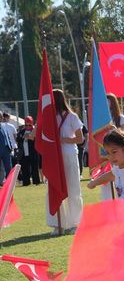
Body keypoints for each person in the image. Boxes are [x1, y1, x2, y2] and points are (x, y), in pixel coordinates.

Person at [39, 91, 84, 235]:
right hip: (54, 157)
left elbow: (80, 138)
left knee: (73, 188)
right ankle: (58, 223)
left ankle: (75, 222)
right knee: (54, 188)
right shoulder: (49, 118)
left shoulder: (72, 116)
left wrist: (62, 140)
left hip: (69, 154)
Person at [15, 116, 39, 186]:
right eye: (26, 125)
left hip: (33, 152)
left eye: (29, 125)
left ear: (32, 124)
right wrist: (21, 137)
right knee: (25, 168)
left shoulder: (35, 130)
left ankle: (36, 181)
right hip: (24, 153)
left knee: (34, 167)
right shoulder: (21, 131)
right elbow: (17, 139)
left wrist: (30, 136)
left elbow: (36, 139)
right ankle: (26, 182)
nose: (28, 126)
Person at [0, 113, 17, 183]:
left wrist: (10, 147)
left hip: (7, 149)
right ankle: (1, 182)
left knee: (8, 167)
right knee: (1, 168)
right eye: (0, 117)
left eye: (1, 117)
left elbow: (7, 136)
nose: (1, 118)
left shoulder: (4, 125)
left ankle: (9, 183)